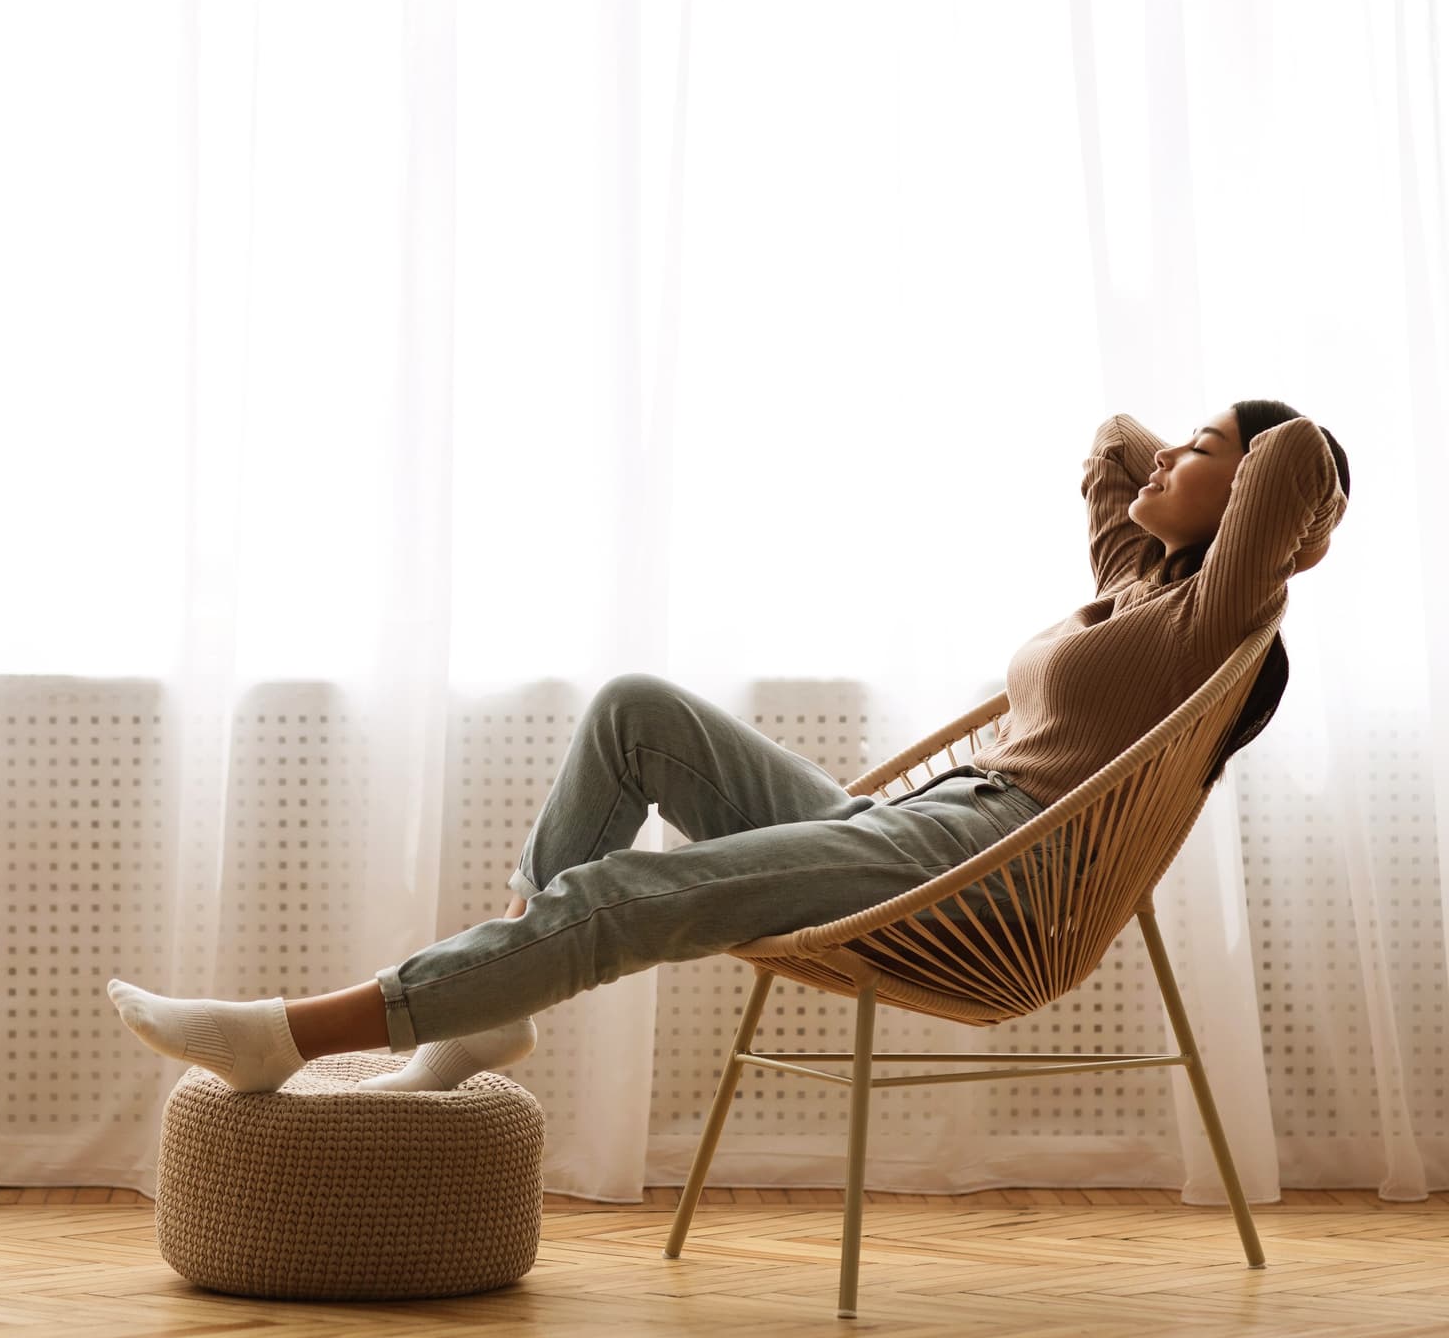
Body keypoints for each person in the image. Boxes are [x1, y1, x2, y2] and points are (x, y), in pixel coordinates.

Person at [110, 402, 1354, 1093]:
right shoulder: (1140, 587)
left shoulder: (1212, 622)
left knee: (619, 894)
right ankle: (484, 1012)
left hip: (990, 870)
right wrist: (1178, 467)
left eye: (1208, 451)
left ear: (1255, 512)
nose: (1173, 453)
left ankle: (291, 1033)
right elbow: (1110, 442)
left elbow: (1297, 457)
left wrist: (1280, 499)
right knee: (635, 708)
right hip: (921, 828)